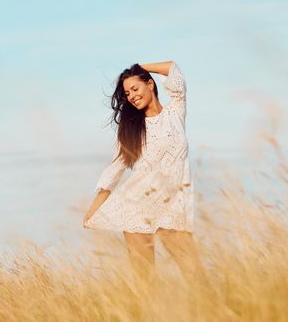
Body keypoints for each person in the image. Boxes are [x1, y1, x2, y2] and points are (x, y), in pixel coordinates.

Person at [83, 60, 208, 290]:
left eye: (135, 89)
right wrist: (93, 209)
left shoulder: (175, 112)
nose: (130, 96)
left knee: (195, 275)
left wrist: (140, 67)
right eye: (126, 93)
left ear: (150, 84)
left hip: (173, 207)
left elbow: (173, 69)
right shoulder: (131, 130)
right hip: (137, 208)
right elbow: (114, 170)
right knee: (145, 282)